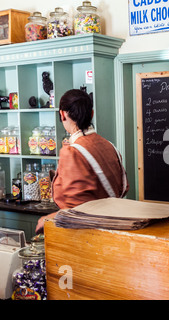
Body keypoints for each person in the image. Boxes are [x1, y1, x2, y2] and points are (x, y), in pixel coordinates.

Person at [35, 89, 129, 233]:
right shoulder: (109, 146)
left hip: (86, 234)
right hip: (113, 225)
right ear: (91, 114)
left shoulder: (72, 152)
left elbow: (77, 211)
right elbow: (122, 188)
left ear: (62, 114)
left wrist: (48, 218)